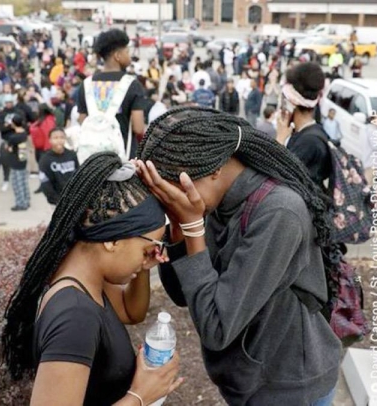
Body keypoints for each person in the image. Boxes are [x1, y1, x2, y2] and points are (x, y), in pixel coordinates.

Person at [136, 106, 342, 406]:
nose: (177, 200)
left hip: (288, 388)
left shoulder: (278, 213)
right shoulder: (217, 198)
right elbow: (184, 295)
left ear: (215, 168)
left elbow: (216, 328)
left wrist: (194, 228)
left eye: (175, 189)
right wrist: (180, 227)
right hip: (250, 380)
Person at [3, 152, 182, 405]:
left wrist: (142, 264)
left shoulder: (84, 276)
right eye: (147, 249)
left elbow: (132, 312)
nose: (149, 258)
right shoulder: (75, 316)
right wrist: (139, 396)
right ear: (112, 241)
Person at [77, 29, 146, 159]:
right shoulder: (133, 84)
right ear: (117, 56)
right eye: (127, 52)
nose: (129, 56)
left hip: (93, 161)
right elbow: (138, 127)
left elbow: (82, 120)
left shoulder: (86, 84)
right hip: (122, 159)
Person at [276, 63, 332, 190]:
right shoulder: (310, 133)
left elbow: (280, 181)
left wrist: (279, 139)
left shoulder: (309, 143)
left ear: (291, 102)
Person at [38, 128, 79, 207]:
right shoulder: (45, 159)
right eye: (55, 138)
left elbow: (78, 175)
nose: (59, 140)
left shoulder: (72, 155)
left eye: (62, 137)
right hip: (57, 202)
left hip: (74, 199)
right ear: (50, 140)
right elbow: (45, 184)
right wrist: (57, 201)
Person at [7, 115, 30, 212]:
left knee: (17, 183)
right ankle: (27, 200)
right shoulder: (24, 133)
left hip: (15, 162)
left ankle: (20, 203)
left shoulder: (13, 137)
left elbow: (9, 148)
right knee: (24, 182)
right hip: (23, 160)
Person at [363, 112, 377, 185]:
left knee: (371, 182)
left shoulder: (373, 129)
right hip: (371, 161)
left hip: (373, 161)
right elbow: (376, 145)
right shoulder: (372, 130)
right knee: (368, 183)